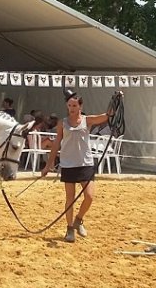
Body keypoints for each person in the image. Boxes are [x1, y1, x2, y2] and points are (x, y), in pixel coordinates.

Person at [40, 89, 119, 243]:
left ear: (80, 107)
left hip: (85, 163)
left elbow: (106, 116)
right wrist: (48, 165)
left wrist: (116, 100)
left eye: (74, 105)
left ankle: (79, 219)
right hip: (68, 164)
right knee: (70, 198)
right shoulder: (62, 123)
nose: (71, 108)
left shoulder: (87, 120)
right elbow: (56, 144)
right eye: (69, 105)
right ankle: (69, 229)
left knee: (89, 196)